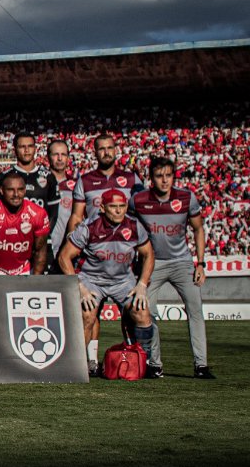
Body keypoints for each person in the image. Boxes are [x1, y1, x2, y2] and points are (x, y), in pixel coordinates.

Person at [57, 189, 156, 377]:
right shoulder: (89, 227)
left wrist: (142, 284)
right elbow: (64, 257)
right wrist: (79, 287)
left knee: (141, 312)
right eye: (113, 207)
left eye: (122, 206)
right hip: (92, 280)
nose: (118, 211)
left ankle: (145, 361)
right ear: (102, 207)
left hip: (122, 281)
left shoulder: (135, 226)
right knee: (88, 314)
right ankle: (79, 365)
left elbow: (148, 254)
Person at [132, 157, 214, 379]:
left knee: (195, 310)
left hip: (183, 263)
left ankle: (201, 365)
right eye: (159, 176)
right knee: (147, 312)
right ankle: (154, 364)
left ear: (173, 176)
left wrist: (201, 263)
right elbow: (128, 231)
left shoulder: (187, 198)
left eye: (168, 175)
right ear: (151, 178)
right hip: (152, 264)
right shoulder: (138, 200)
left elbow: (198, 229)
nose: (164, 180)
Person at [0, 170, 51, 275]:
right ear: (1, 190)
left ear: (25, 190)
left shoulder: (38, 214)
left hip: (25, 271)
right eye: (11, 190)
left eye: (20, 189)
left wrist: (35, 282)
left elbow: (40, 253)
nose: (16, 194)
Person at [66, 134, 143, 233]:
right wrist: (72, 240)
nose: (106, 152)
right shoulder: (84, 181)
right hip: (95, 243)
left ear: (115, 151)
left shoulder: (132, 179)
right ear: (95, 153)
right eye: (102, 149)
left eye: (110, 148)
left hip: (127, 243)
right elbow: (76, 217)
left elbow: (143, 212)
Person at [0, 133, 59, 226]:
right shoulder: (2, 177)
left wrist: (44, 237)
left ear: (35, 149)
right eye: (22, 147)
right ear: (15, 150)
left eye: (30, 146)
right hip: (11, 237)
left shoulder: (49, 177)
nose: (26, 150)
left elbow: (53, 215)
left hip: (40, 237)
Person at [46, 139, 76, 269]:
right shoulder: (39, 184)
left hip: (68, 251)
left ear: (68, 157)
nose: (59, 158)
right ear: (48, 157)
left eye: (63, 154)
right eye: (55, 154)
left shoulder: (76, 186)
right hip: (42, 250)